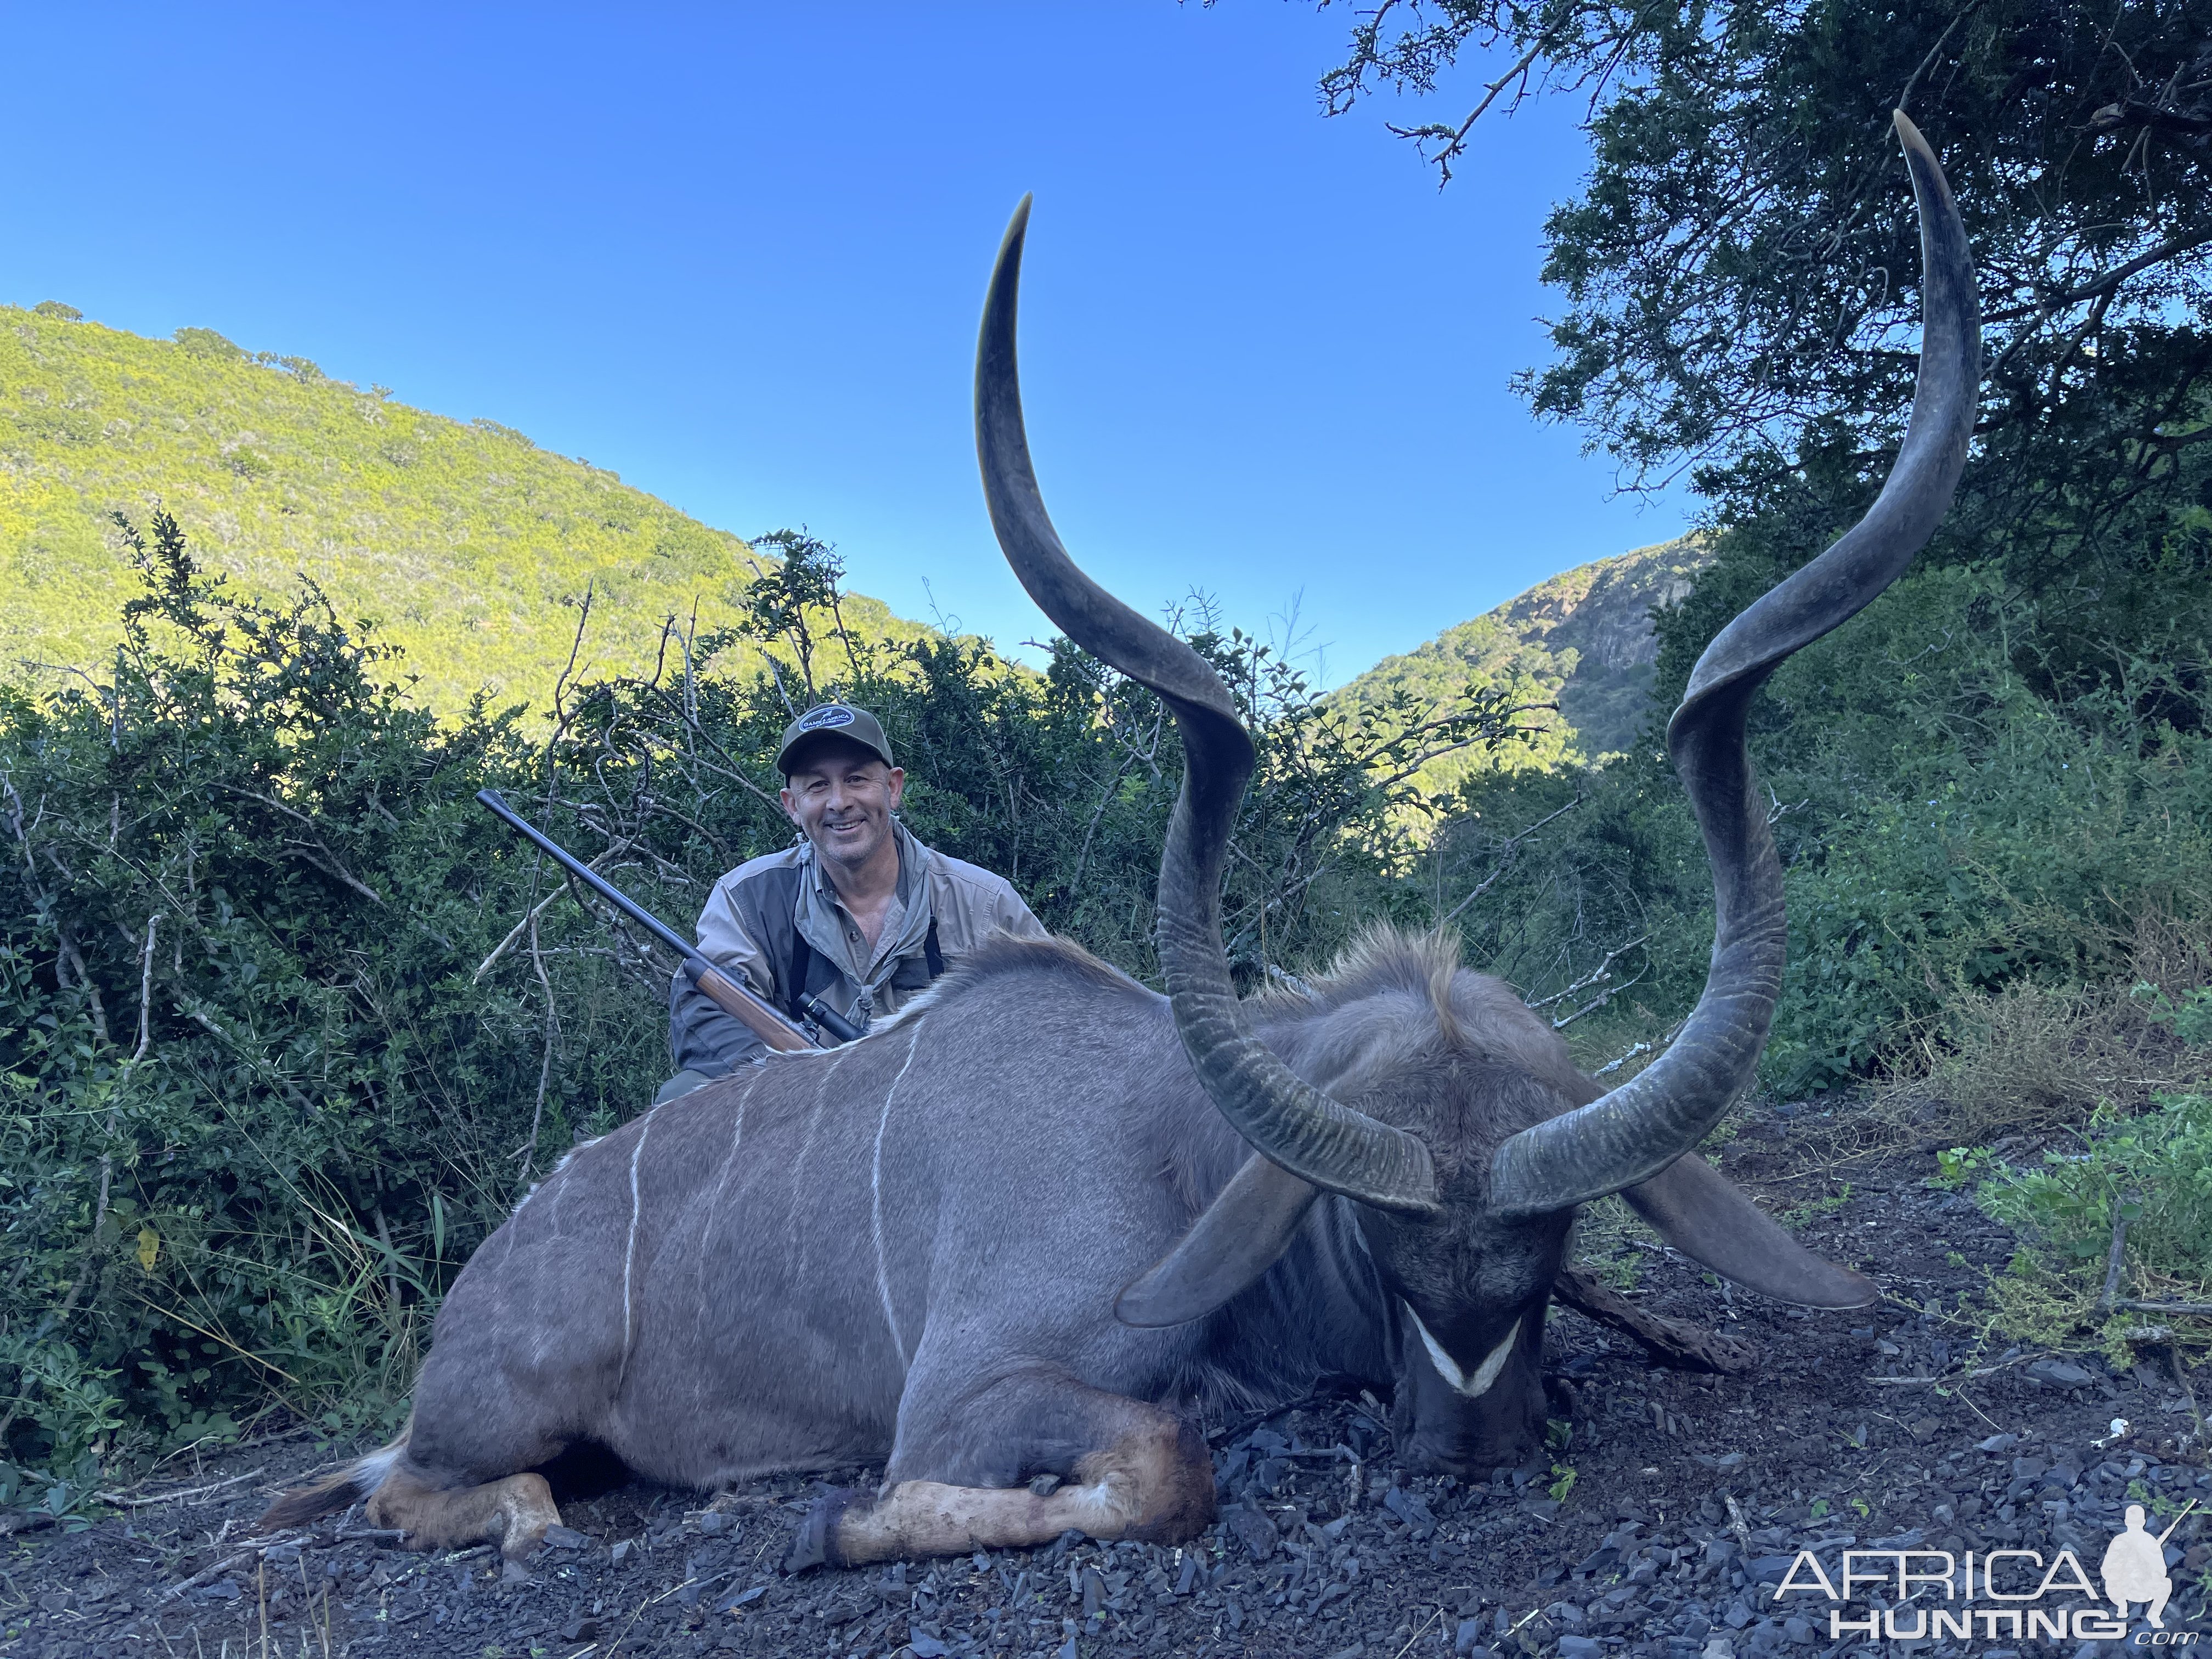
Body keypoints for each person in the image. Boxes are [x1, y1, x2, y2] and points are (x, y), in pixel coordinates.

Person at [655, 702, 1047, 1102]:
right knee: (682, 1097)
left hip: (952, 1111)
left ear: (893, 788)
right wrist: (802, 1084)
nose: (839, 802)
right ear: (792, 804)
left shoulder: (984, 903)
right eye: (818, 786)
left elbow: (1052, 1021)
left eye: (856, 779)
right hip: (803, 1111)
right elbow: (706, 1011)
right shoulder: (747, 897)